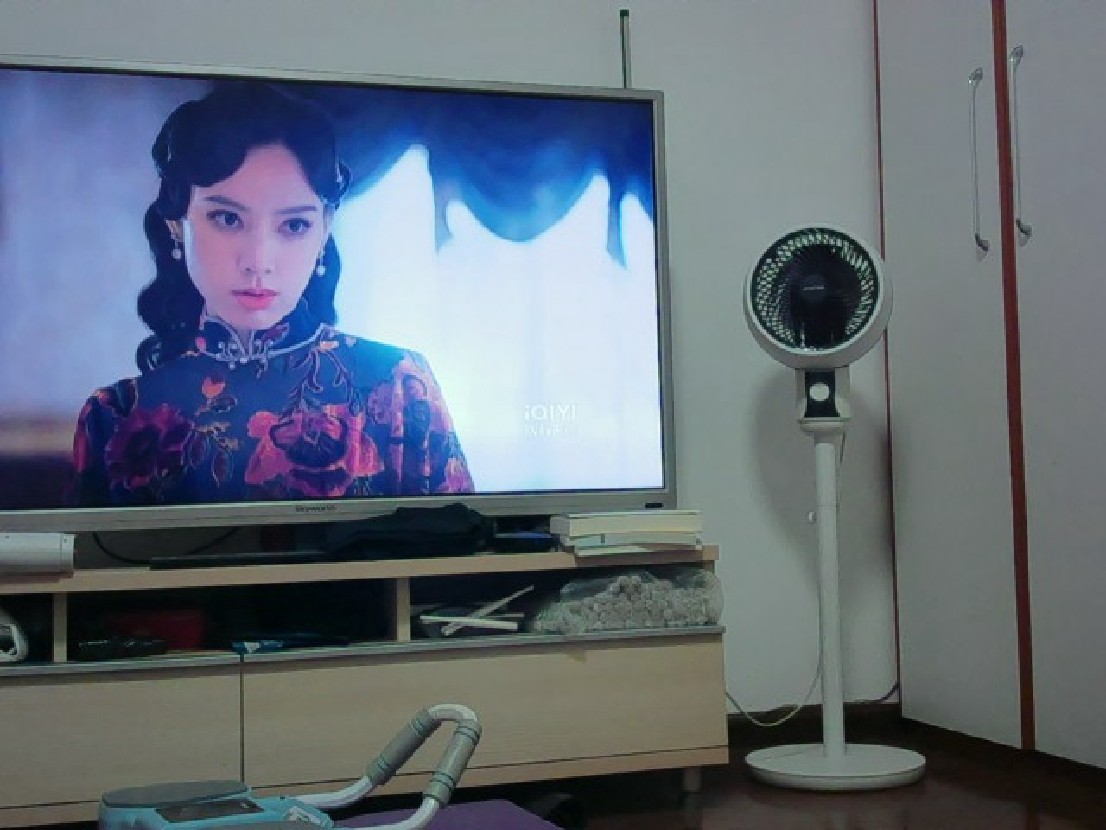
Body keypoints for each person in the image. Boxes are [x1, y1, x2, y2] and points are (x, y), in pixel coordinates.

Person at [69, 82, 474, 506]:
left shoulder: (399, 385)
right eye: (227, 219)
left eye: (294, 225)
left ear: (324, 229)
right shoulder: (115, 415)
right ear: (176, 223)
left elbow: (459, 544)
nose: (259, 261)